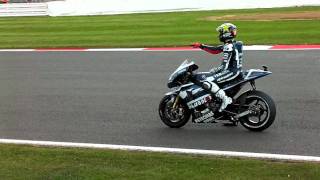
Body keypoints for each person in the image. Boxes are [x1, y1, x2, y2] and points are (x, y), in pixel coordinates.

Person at [192, 23, 243, 112]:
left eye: (221, 32)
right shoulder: (234, 44)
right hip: (237, 71)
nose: (219, 35)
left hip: (231, 72)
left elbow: (224, 67)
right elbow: (215, 50)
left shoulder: (228, 46)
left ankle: (225, 99)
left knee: (207, 82)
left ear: (226, 33)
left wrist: (214, 71)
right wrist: (201, 46)